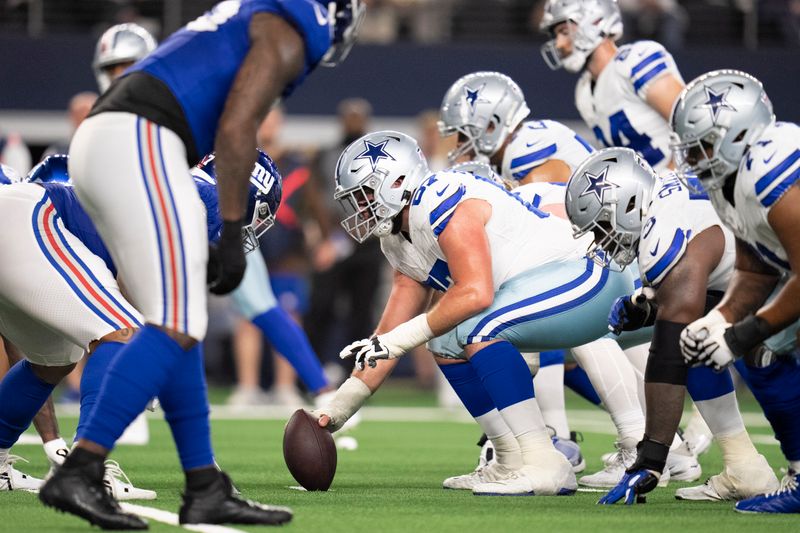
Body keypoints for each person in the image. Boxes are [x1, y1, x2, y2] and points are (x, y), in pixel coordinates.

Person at [39, 1, 365, 528]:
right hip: (138, 137)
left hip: (120, 139)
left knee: (181, 317)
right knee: (177, 318)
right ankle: (82, 469)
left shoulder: (253, 17)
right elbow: (237, 128)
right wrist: (232, 232)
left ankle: (203, 484)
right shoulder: (293, 24)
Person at [315, 130, 638, 496]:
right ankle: (509, 459)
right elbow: (386, 339)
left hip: (590, 276)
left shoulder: (440, 200)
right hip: (548, 291)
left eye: (365, 194)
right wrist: (339, 408)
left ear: (398, 181)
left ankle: (544, 461)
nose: (360, 207)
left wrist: (397, 341)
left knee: (478, 326)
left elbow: (475, 292)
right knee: (446, 339)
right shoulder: (398, 238)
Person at [438, 70, 702, 488]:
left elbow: (555, 216)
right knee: (596, 338)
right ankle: (672, 450)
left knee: (584, 331)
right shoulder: (527, 143)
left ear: (493, 122)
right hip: (608, 249)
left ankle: (612, 441)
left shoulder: (530, 147)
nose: (460, 144)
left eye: (466, 132)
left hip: (605, 249)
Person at [563, 147, 779, 504]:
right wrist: (650, 310)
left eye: (601, 226)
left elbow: (669, 351)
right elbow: (702, 291)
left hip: (785, 282)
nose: (600, 240)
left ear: (629, 204)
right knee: (699, 336)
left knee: (698, 343)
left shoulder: (661, 235)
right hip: (769, 276)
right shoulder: (666, 197)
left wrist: (651, 458)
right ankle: (745, 467)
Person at [672, 69, 800, 513]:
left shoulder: (771, 168)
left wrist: (742, 333)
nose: (692, 155)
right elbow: (758, 268)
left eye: (702, 144)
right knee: (763, 353)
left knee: (761, 344)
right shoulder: (730, 179)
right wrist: (720, 319)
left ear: (738, 132)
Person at [539, 0, 684, 172]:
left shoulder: (635, 60)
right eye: (556, 37)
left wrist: (669, 179)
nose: (559, 44)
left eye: (564, 32)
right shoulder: (584, 91)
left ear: (594, 22)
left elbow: (691, 123)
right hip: (646, 190)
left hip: (684, 182)